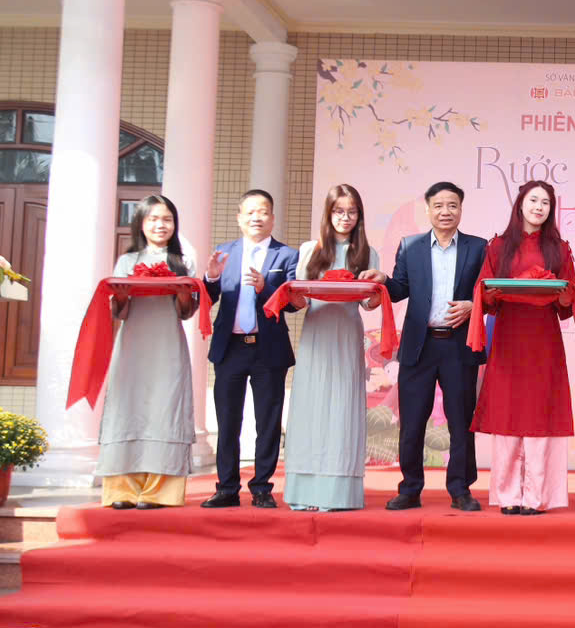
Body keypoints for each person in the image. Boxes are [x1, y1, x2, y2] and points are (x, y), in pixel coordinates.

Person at [471, 181, 575, 515]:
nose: (539, 207)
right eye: (533, 200)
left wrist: (566, 297)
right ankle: (507, 496)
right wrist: (489, 294)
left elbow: (566, 303)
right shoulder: (498, 246)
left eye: (545, 202)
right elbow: (485, 295)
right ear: (520, 204)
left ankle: (537, 497)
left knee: (540, 411)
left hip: (544, 339)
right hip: (508, 336)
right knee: (508, 409)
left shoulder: (559, 249)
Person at [382, 182, 486, 512]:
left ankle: (460, 489)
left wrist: (474, 305)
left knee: (460, 421)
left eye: (452, 205)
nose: (445, 211)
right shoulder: (410, 246)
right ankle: (410, 488)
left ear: (461, 209)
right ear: (427, 209)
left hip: (459, 346)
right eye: (438, 205)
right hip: (420, 346)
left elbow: (488, 292)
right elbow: (398, 290)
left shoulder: (478, 247)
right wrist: (381, 281)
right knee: (412, 422)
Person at [284, 183, 384, 512]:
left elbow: (369, 304)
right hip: (316, 333)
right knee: (310, 408)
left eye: (352, 211)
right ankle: (304, 491)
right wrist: (294, 296)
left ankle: (338, 493)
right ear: (328, 214)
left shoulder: (367, 254)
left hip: (346, 334)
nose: (345, 217)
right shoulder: (309, 250)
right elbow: (299, 300)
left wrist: (378, 286)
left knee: (342, 409)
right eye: (339, 211)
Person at [97, 195, 197, 509]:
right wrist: (121, 296)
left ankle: (159, 492)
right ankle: (122, 490)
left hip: (168, 345)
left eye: (167, 219)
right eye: (153, 219)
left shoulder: (183, 262)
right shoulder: (127, 261)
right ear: (141, 223)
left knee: (165, 410)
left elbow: (186, 312)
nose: (160, 225)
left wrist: (183, 294)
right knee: (127, 407)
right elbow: (119, 311)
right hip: (132, 346)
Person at [202, 190, 300, 509]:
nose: (257, 217)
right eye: (250, 212)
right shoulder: (225, 252)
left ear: (273, 218)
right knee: (227, 420)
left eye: (263, 212)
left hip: (267, 348)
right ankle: (227, 488)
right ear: (239, 218)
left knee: (267, 422)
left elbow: (292, 304)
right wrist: (210, 277)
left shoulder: (287, 256)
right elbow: (208, 298)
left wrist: (265, 288)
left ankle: (261, 488)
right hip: (230, 348)